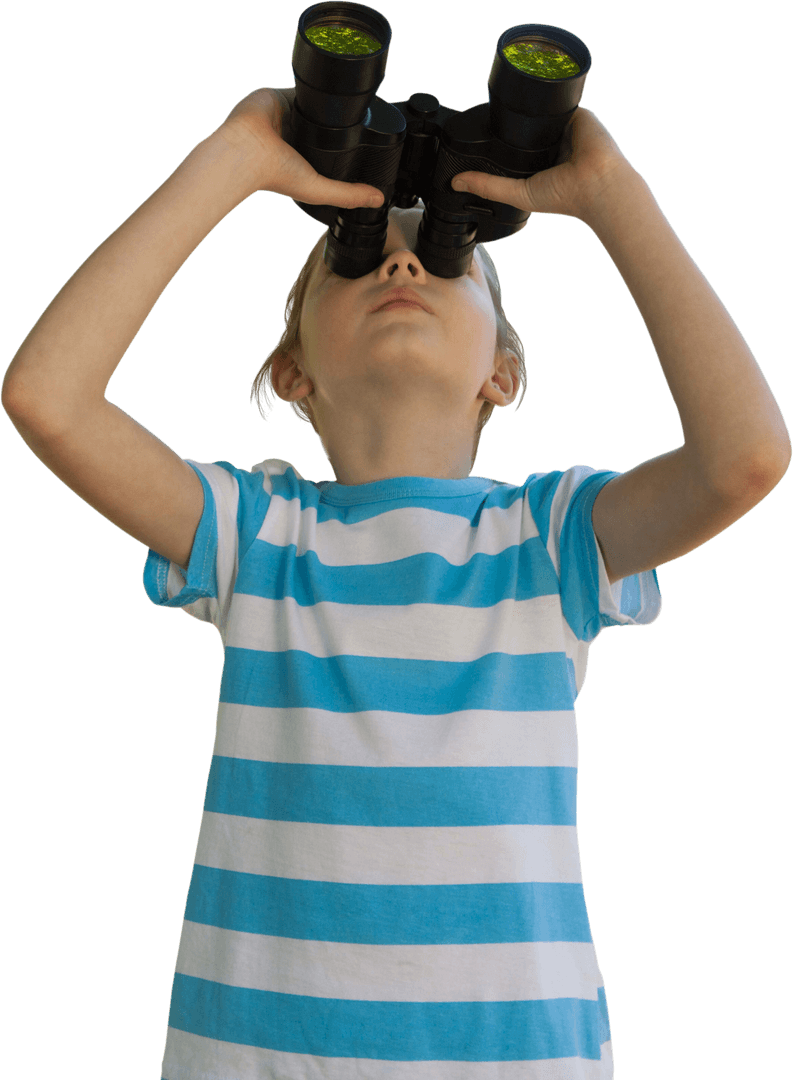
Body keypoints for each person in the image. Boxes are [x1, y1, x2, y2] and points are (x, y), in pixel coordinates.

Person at [2, 85, 789, 1080]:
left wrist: (612, 195)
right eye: (356, 256)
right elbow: (48, 398)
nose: (405, 262)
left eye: (448, 260)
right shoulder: (259, 535)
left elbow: (744, 460)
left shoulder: (547, 540)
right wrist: (229, 163)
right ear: (291, 371)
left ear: (501, 372)